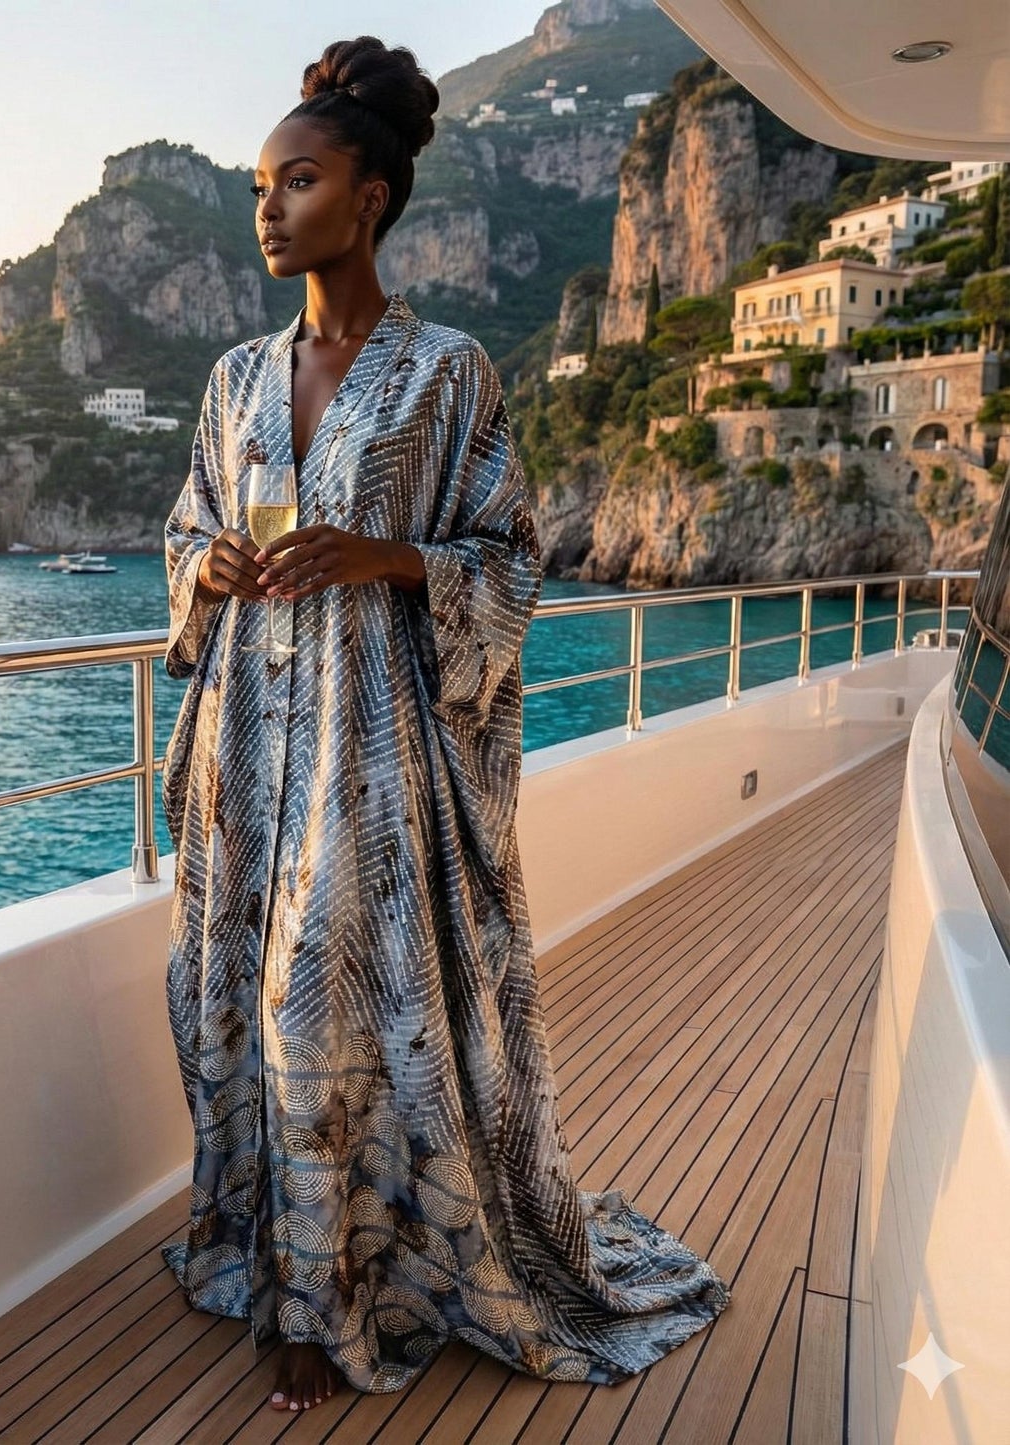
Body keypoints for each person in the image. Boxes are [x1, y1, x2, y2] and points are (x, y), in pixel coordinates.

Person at [159, 34, 732, 1417]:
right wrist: (212, 565)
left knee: (329, 1013)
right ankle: (268, 1243)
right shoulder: (236, 377)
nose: (269, 208)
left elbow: (512, 554)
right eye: (257, 186)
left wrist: (389, 558)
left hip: (372, 754)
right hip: (245, 749)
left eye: (298, 180)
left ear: (368, 198)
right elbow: (185, 528)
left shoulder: (446, 372)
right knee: (228, 989)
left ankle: (330, 1296)